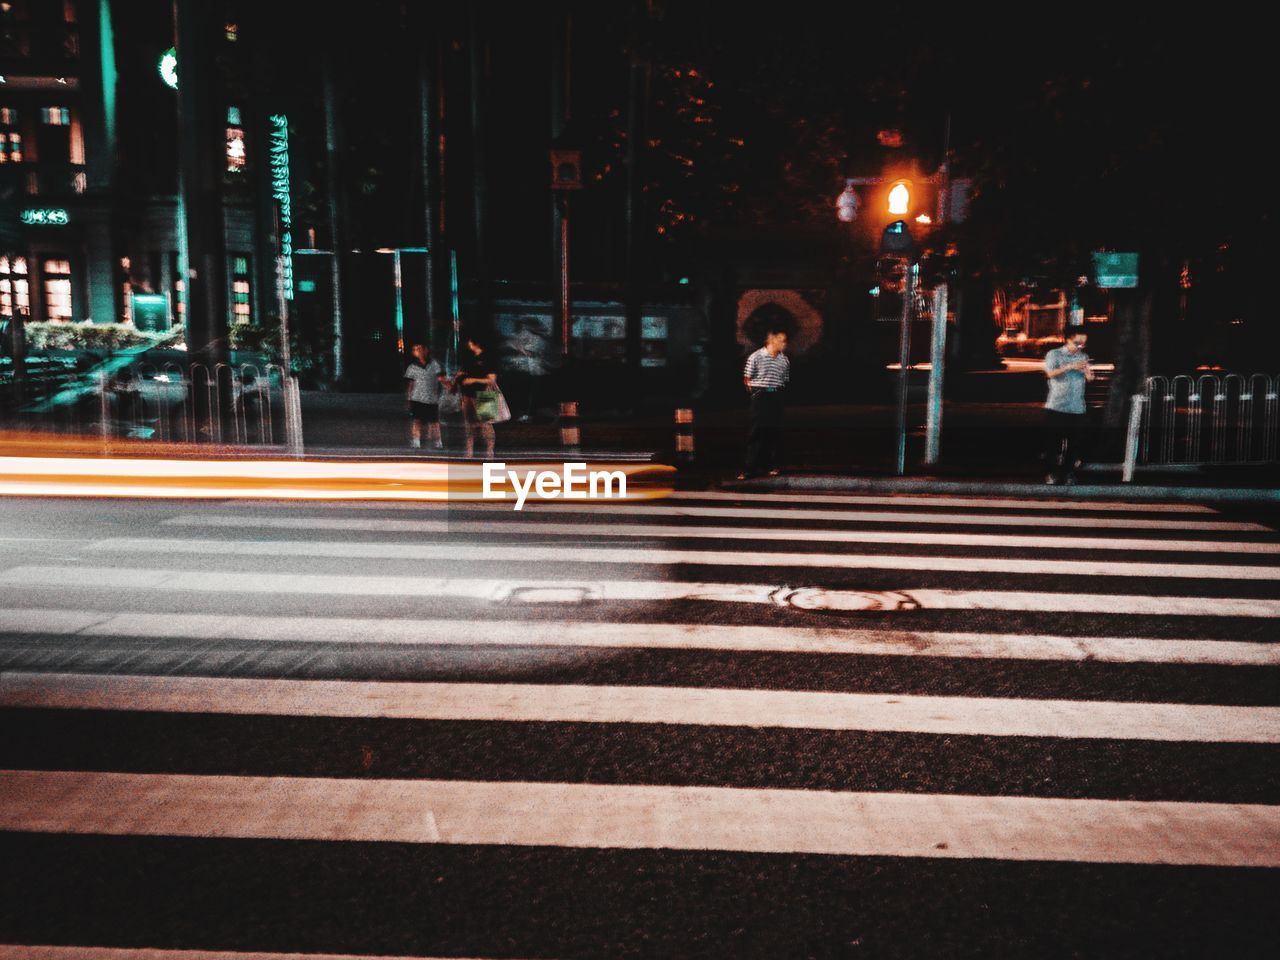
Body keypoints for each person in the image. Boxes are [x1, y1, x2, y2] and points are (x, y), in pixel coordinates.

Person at [737, 327, 790, 480]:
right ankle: (749, 467)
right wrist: (757, 393)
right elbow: (747, 379)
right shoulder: (756, 357)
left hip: (776, 395)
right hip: (761, 395)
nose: (785, 343)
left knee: (774, 431)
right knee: (757, 431)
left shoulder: (784, 359)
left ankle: (771, 465)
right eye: (782, 340)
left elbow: (784, 380)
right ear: (772, 339)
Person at [1042, 328, 1094, 484]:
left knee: (1074, 444)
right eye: (1077, 343)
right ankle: (1051, 473)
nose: (1080, 347)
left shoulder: (1083, 356)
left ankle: (1068, 473)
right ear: (1068, 340)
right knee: (1053, 442)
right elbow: (1049, 374)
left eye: (1083, 344)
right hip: (1056, 405)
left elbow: (1090, 378)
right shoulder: (1054, 354)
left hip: (1077, 407)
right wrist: (1069, 366)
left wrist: (1088, 373)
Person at [454, 336, 498, 459]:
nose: (468, 344)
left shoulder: (487, 358)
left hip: (485, 394)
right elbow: (462, 372)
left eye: (469, 341)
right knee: (468, 423)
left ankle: (490, 452)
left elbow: (491, 380)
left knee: (487, 424)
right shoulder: (469, 358)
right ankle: (469, 451)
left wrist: (473, 380)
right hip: (468, 394)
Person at [403, 343, 444, 449]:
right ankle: (416, 441)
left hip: (432, 398)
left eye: (420, 349)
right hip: (417, 398)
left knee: (435, 422)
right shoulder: (412, 367)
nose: (418, 351)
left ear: (426, 350)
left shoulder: (434, 364)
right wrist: (409, 398)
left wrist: (448, 387)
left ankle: (438, 441)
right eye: (415, 350)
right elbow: (410, 384)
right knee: (417, 420)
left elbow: (441, 379)